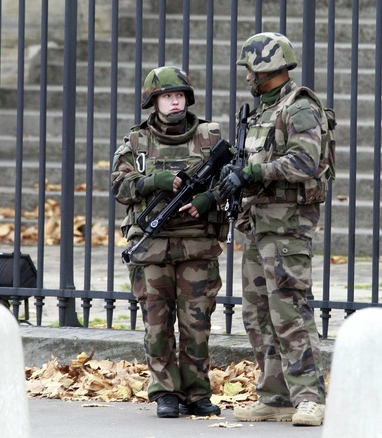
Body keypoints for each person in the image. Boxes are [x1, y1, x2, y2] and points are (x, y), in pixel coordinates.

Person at [219, 32, 327, 427]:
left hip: (287, 227)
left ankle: (309, 398)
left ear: (264, 67)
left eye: (249, 66)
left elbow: (304, 162)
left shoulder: (298, 108)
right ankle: (275, 395)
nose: (246, 74)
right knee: (258, 314)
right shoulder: (262, 110)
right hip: (259, 224)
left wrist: (251, 171)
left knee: (290, 313)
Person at [111, 66, 226, 419]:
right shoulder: (137, 142)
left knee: (197, 325)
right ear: (153, 102)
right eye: (166, 97)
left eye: (178, 96)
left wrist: (209, 198)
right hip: (152, 247)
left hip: (197, 246)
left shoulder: (209, 137)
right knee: (157, 326)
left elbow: (231, 180)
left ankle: (197, 393)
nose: (174, 102)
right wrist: (152, 181)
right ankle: (165, 392)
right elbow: (119, 186)